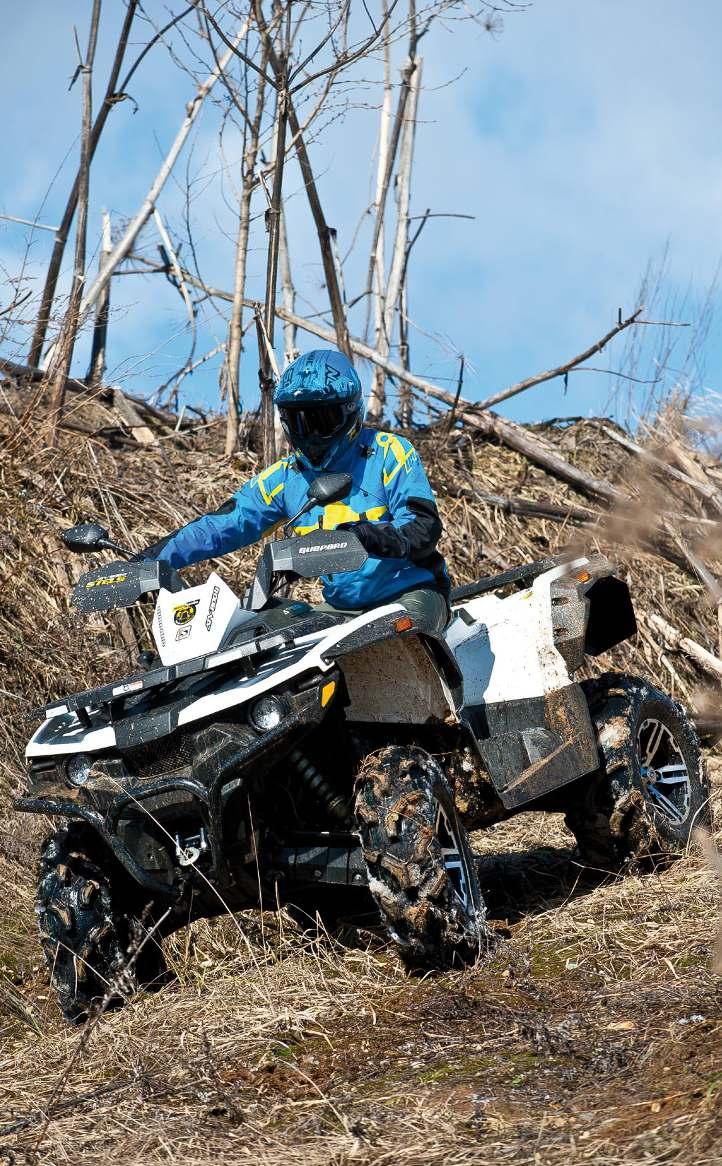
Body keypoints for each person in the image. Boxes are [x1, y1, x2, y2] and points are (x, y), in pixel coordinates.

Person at [141, 349, 451, 634]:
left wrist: (366, 537)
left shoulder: (389, 452)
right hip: (341, 610)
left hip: (411, 595)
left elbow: (424, 528)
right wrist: (151, 560)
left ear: (350, 411)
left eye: (321, 420)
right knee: (251, 636)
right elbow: (222, 524)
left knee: (395, 636)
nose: (310, 433)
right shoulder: (286, 477)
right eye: (298, 420)